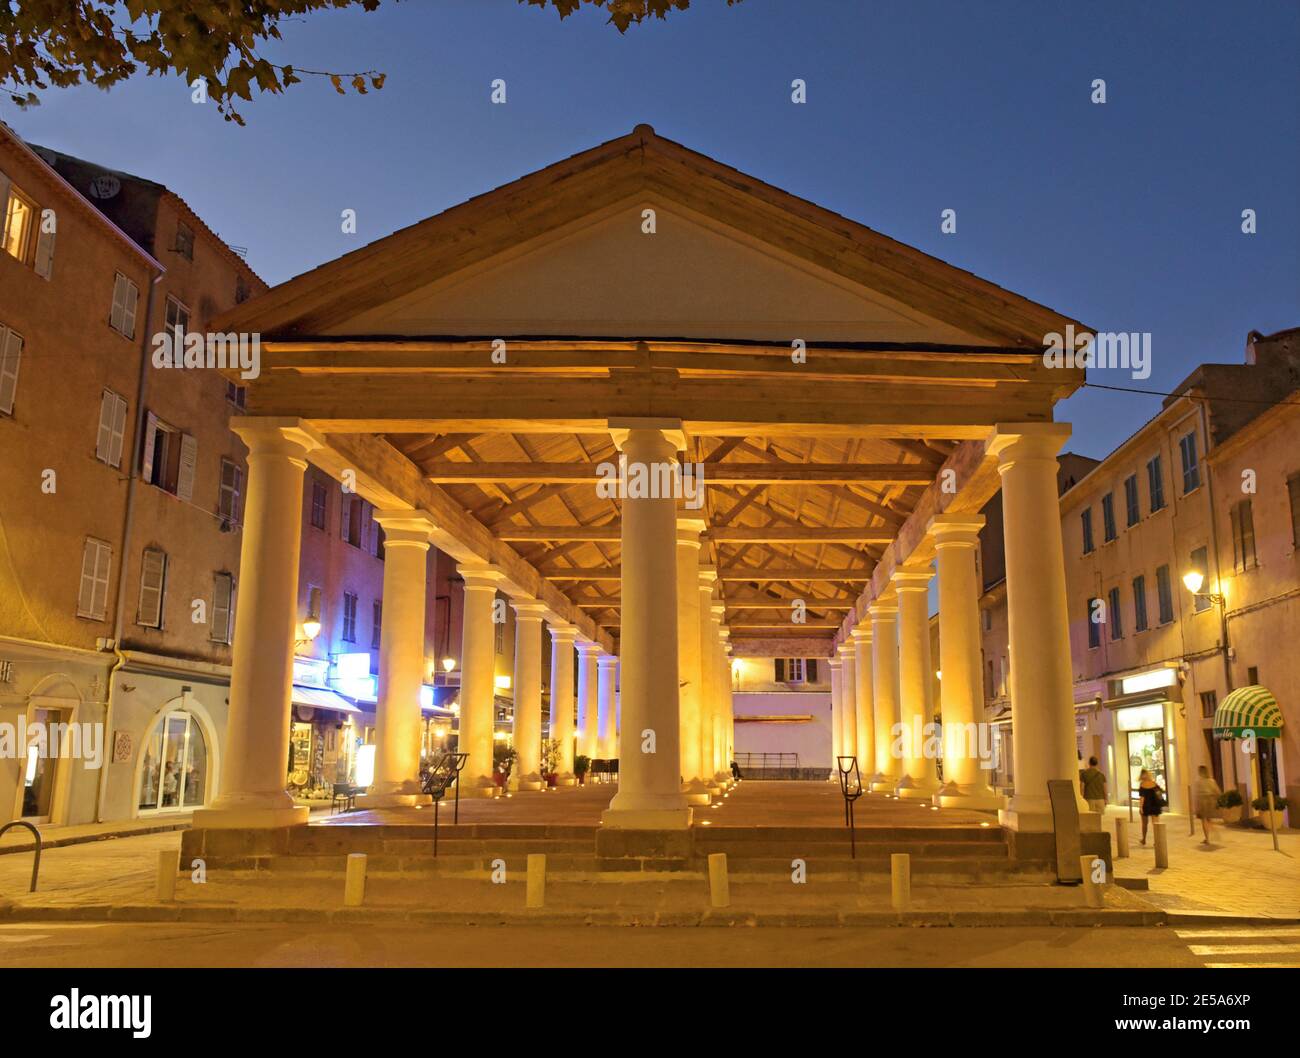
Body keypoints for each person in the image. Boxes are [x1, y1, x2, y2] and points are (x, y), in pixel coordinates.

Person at [1193, 764, 1222, 845]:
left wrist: (1196, 805)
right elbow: (1217, 792)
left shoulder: (1199, 781)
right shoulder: (1211, 780)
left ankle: (1207, 838)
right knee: (1208, 819)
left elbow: (1197, 794)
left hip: (1203, 802)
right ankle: (1213, 831)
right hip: (1210, 801)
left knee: (1204, 820)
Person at [1138, 768, 1164, 844]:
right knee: (1156, 824)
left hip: (1146, 806)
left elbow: (1142, 798)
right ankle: (1157, 841)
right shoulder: (1154, 783)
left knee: (1144, 824)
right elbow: (1159, 794)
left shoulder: (1142, 784)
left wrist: (1141, 807)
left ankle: (1144, 839)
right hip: (1155, 806)